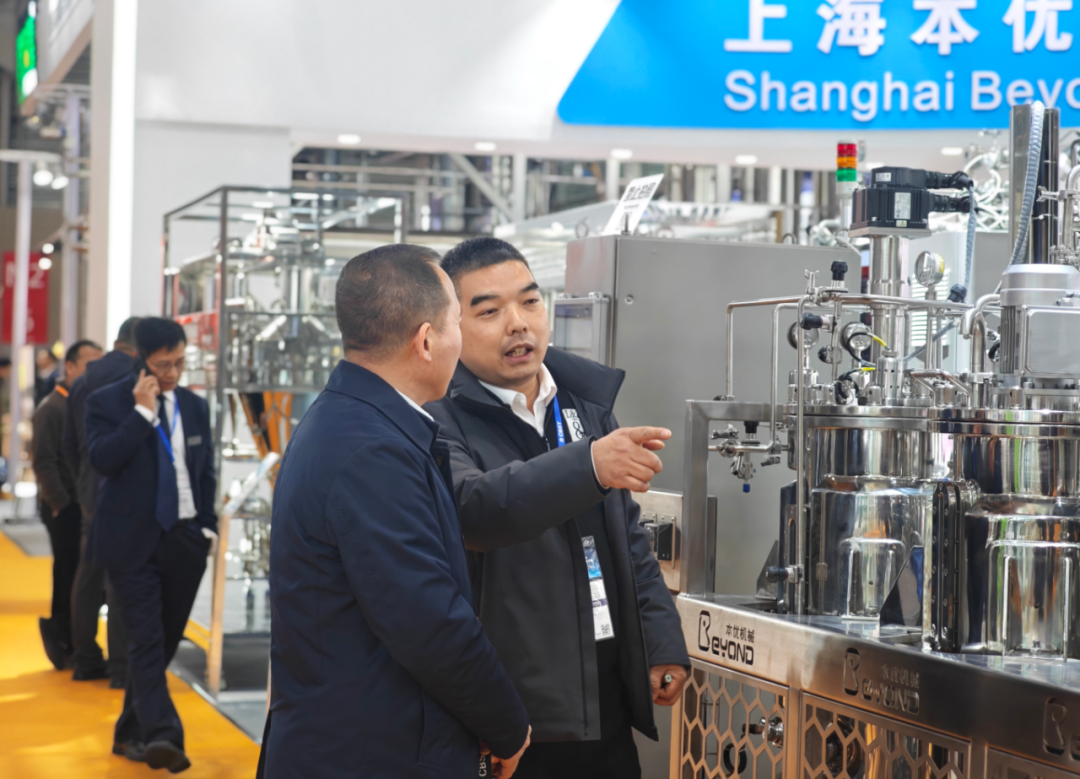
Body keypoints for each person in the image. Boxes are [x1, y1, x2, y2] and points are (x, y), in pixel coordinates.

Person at [261, 244, 531, 779]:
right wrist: (507, 724)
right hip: (370, 753)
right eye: (458, 322)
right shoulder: (373, 451)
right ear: (427, 341)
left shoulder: (349, 420)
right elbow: (429, 622)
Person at [427, 237, 691, 779]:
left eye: (529, 302)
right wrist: (589, 465)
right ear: (452, 326)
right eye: (489, 311)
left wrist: (660, 639)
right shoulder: (438, 418)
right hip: (510, 712)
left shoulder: (583, 406)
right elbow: (475, 510)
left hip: (604, 698)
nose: (518, 323)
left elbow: (627, 537)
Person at [85, 317, 217, 772]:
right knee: (145, 639)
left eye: (180, 362)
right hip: (130, 542)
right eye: (164, 364)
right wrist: (141, 414)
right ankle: (164, 734)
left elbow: (205, 472)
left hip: (185, 540)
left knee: (162, 644)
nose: (173, 373)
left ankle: (129, 733)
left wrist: (207, 527)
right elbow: (103, 460)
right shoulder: (107, 401)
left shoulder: (195, 407)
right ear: (141, 360)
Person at [64, 317, 141, 686]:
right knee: (121, 578)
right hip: (124, 490)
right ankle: (122, 668)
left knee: (88, 574)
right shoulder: (136, 379)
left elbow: (68, 444)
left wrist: (83, 482)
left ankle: (86, 658)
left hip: (90, 489)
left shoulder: (82, 381)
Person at [33, 339, 104, 671]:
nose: (95, 372)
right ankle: (63, 642)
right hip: (64, 507)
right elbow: (43, 461)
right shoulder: (52, 407)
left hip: (82, 504)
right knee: (67, 573)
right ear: (70, 367)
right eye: (89, 365)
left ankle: (74, 642)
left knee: (79, 574)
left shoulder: (84, 403)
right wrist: (61, 503)